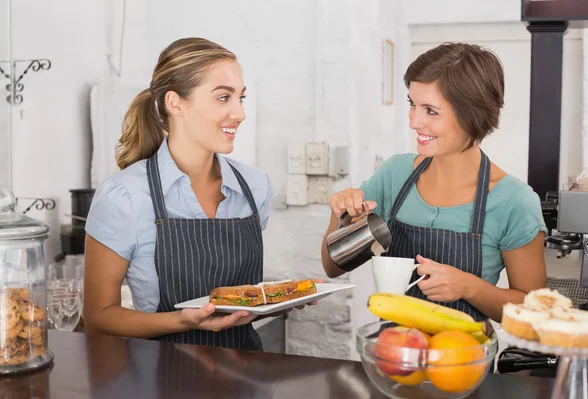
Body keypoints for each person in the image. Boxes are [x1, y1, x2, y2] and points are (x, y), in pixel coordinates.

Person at [321, 43, 547, 323]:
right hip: (393, 355)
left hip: (464, 360)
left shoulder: (514, 201)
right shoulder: (395, 174)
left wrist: (469, 287)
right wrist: (340, 216)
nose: (414, 122)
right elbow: (333, 267)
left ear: (472, 114)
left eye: (430, 110)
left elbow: (537, 313)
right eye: (412, 105)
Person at [83, 37, 274, 350]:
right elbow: (98, 318)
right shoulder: (124, 196)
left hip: (247, 377)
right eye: (223, 98)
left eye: (241, 97)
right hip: (163, 380)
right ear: (175, 103)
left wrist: (281, 298)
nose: (239, 113)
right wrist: (182, 320)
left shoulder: (255, 186)